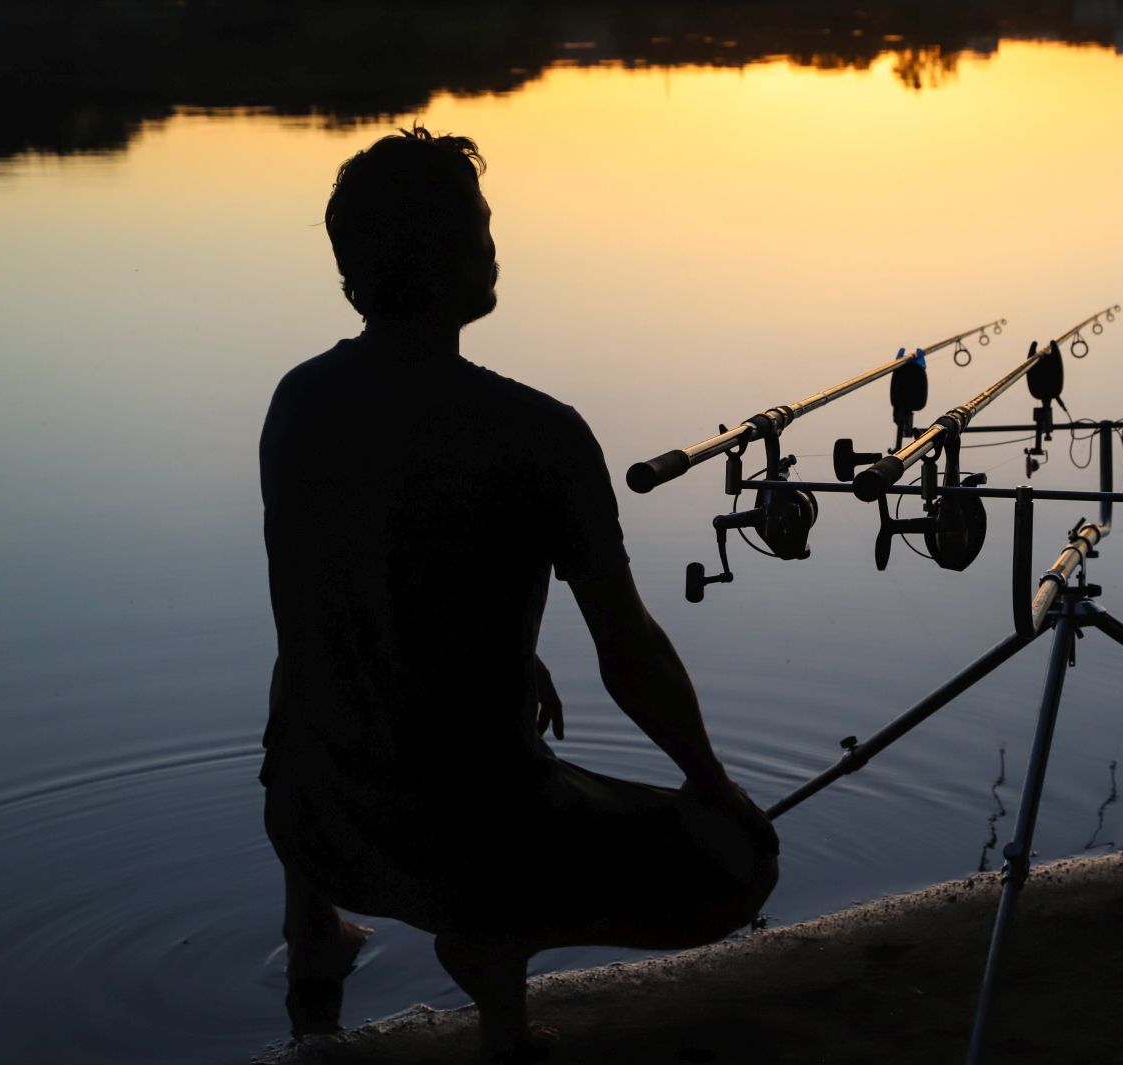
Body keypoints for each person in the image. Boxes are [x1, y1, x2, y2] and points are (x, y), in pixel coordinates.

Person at [258, 125, 778, 1062]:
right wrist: (713, 784)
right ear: (458, 256)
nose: (496, 247)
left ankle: (313, 929)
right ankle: (498, 970)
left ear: (354, 277)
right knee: (740, 865)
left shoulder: (300, 401)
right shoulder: (540, 435)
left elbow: (341, 588)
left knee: (306, 652)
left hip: (312, 818)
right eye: (483, 229)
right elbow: (630, 653)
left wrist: (507, 646)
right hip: (468, 849)